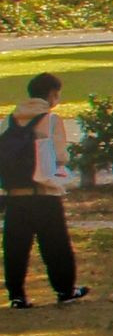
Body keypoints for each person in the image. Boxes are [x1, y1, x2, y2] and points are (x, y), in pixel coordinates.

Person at [3, 73, 89, 311]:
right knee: (55, 245)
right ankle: (64, 289)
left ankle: (17, 295)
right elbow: (60, 156)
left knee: (16, 247)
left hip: (15, 195)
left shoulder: (9, 121)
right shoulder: (51, 120)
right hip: (44, 193)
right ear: (51, 94)